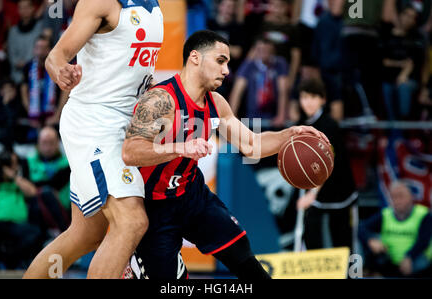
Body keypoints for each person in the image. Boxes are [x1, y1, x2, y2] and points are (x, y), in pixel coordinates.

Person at [121, 30, 329, 279]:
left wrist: (290, 134)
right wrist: (180, 148)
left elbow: (252, 146)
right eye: (221, 61)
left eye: (227, 63)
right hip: (155, 204)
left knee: (242, 255)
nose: (227, 70)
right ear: (195, 58)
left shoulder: (217, 103)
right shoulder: (160, 99)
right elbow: (130, 152)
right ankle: (136, 267)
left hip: (191, 195)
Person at [23, 0, 164, 279]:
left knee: (86, 235)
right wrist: (61, 71)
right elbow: (56, 55)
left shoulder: (154, 6)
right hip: (94, 123)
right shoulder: (102, 2)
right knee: (132, 221)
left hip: (123, 125)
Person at [294, 78, 358, 251]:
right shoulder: (301, 124)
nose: (308, 102)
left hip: (339, 191)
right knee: (311, 236)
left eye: (313, 97)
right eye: (304, 97)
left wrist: (312, 194)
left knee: (342, 243)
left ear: (322, 99)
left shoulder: (329, 125)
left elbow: (326, 162)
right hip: (316, 194)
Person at [358, 180, 432, 278]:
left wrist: (409, 257)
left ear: (411, 197)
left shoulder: (423, 214)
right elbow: (361, 227)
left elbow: (423, 241)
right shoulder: (386, 214)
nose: (397, 200)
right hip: (390, 259)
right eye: (394, 197)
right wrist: (370, 239)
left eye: (401, 196)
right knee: (372, 250)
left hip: (416, 258)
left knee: (418, 263)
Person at [0, 149, 41, 269]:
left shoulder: (17, 182)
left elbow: (33, 192)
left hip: (16, 225)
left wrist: (13, 176)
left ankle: (11, 260)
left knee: (35, 233)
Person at [380, 4, 427, 120]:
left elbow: (412, 63)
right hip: (388, 79)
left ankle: (404, 122)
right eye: (406, 15)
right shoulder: (387, 36)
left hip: (409, 80)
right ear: (400, 15)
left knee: (403, 87)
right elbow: (384, 61)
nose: (408, 19)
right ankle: (394, 130)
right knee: (387, 88)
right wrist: (401, 64)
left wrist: (403, 75)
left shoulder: (417, 39)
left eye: (413, 17)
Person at [229, 37, 289, 126]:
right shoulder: (249, 65)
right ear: (255, 50)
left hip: (273, 117)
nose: (264, 53)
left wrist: (281, 116)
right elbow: (237, 91)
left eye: (267, 50)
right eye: (260, 50)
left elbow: (283, 90)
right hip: (252, 117)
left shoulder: (280, 63)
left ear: (273, 50)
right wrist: (232, 116)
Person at [24, 126, 71, 237]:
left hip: (64, 210)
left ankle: (62, 232)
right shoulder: (28, 162)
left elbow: (54, 184)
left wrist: (35, 186)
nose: (48, 147)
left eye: (51, 143)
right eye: (44, 143)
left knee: (46, 192)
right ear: (38, 143)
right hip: (36, 211)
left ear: (58, 143)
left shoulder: (67, 163)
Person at [7, 0, 43, 85]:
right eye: (21, 8)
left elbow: (41, 51)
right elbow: (11, 53)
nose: (24, 10)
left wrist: (27, 63)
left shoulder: (40, 28)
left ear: (33, 8)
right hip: (16, 76)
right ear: (18, 10)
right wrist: (17, 62)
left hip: (35, 74)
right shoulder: (13, 31)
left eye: (27, 7)